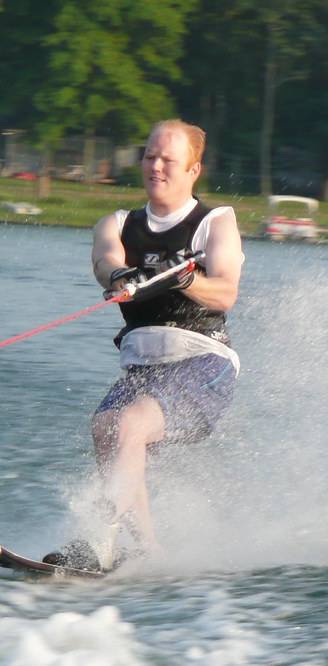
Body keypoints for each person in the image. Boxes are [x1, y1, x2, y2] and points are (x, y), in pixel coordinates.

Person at [45, 119, 244, 570]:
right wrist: (121, 276)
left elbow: (226, 291)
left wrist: (187, 277)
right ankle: (145, 550)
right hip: (144, 368)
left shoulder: (215, 223)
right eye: (149, 156)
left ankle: (98, 539)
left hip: (203, 363)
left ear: (193, 169)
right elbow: (105, 261)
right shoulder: (117, 224)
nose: (155, 166)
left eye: (168, 159)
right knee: (106, 428)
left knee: (130, 426)